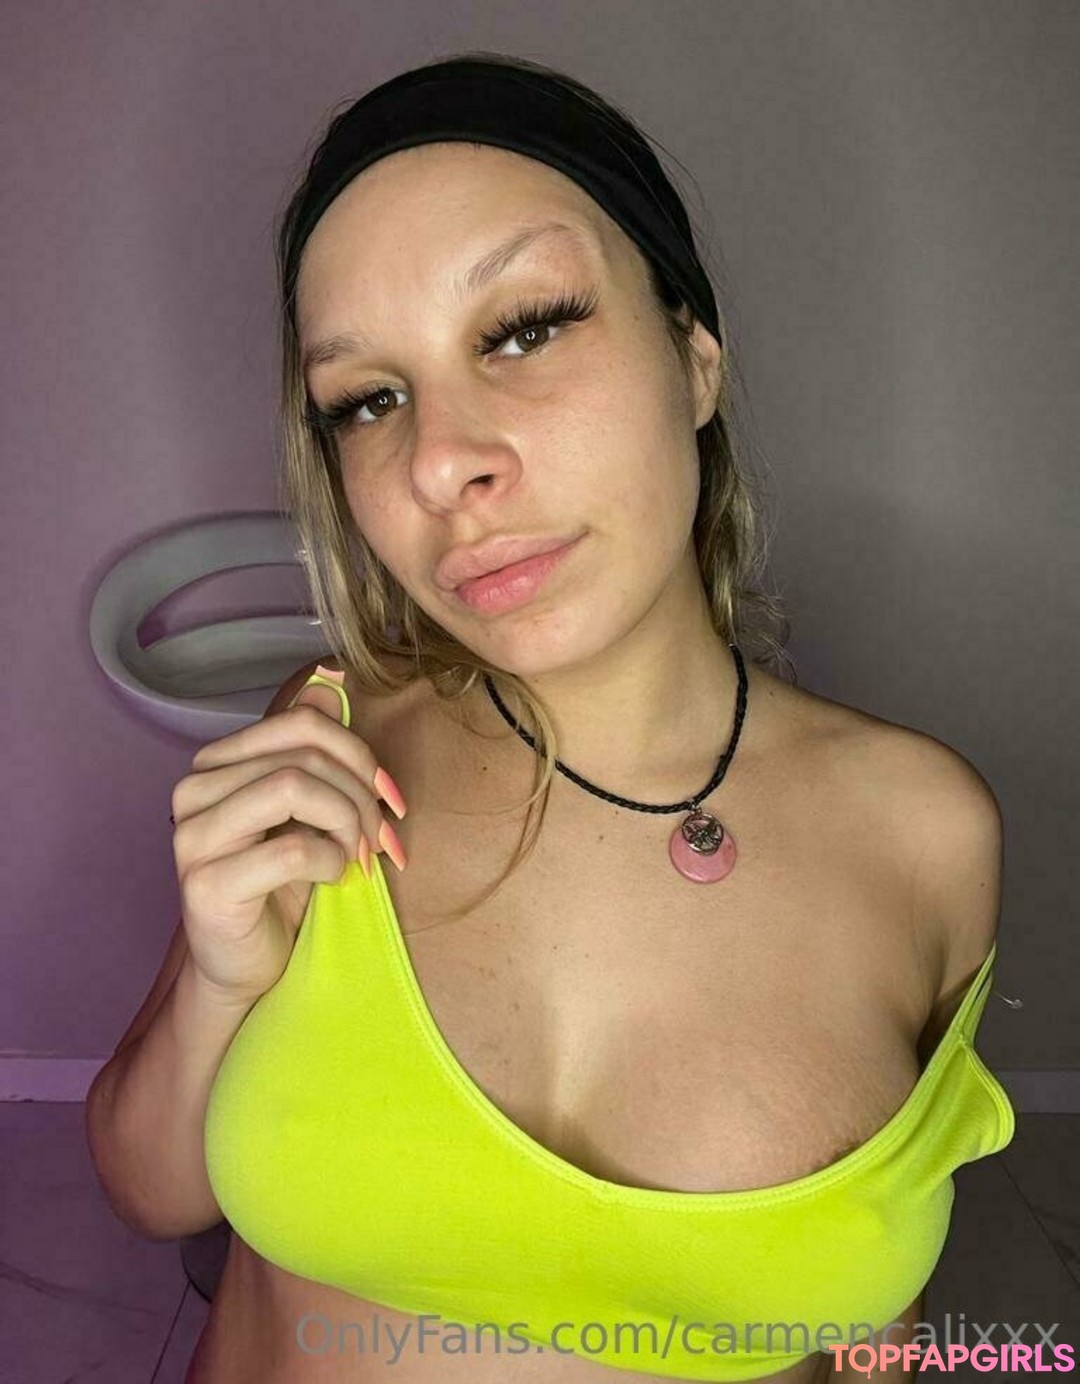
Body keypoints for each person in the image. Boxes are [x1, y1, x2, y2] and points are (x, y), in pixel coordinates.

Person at [85, 51, 1015, 1384]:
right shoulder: (333, 742)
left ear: (695, 362)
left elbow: (875, 1306)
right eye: (368, 401)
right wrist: (220, 976)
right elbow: (148, 1192)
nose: (440, 463)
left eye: (524, 329)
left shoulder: (927, 833)